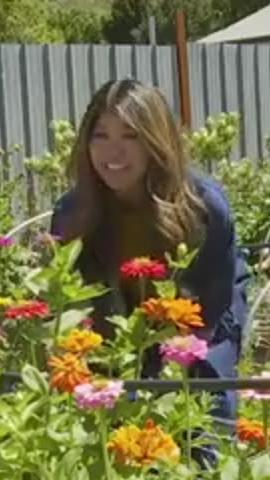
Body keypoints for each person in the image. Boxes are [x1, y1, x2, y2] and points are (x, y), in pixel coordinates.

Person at [48, 78, 250, 432]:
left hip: (200, 321)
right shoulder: (72, 212)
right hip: (113, 327)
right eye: (101, 135)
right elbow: (73, 305)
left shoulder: (203, 209)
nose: (114, 152)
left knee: (202, 430)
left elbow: (205, 314)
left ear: (156, 141)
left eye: (131, 136)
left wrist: (163, 377)